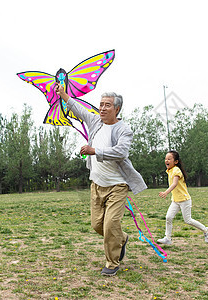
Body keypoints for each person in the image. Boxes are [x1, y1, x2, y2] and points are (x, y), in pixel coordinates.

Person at [55, 84, 147, 276]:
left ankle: (112, 264)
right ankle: (121, 238)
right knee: (98, 225)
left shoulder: (124, 130)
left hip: (117, 185)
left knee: (110, 224)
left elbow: (121, 152)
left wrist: (94, 150)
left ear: (117, 109)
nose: (103, 108)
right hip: (96, 184)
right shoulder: (95, 122)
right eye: (101, 104)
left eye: (107, 105)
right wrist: (63, 94)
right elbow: (77, 109)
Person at [157, 150, 208, 245]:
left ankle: (206, 230)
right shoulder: (169, 170)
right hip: (175, 200)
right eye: (166, 158)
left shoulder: (176, 170)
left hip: (184, 200)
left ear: (176, 162)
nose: (166, 160)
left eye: (169, 159)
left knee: (188, 220)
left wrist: (166, 192)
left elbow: (174, 183)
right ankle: (167, 238)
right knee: (168, 217)